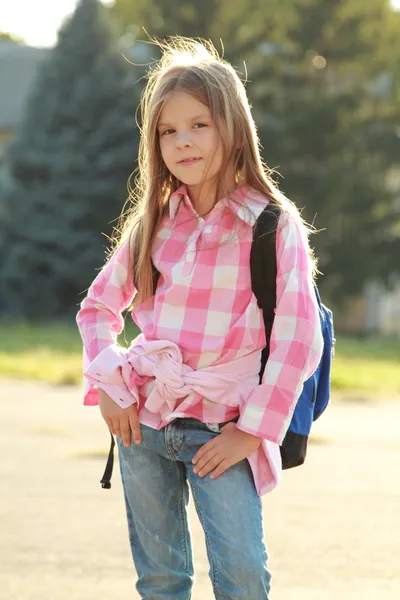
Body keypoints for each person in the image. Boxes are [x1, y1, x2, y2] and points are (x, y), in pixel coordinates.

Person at [76, 36, 324, 600]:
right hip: (145, 423)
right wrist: (110, 386)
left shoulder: (271, 225)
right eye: (168, 131)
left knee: (242, 576)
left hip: (225, 429)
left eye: (199, 125)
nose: (182, 141)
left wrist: (253, 431)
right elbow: (96, 310)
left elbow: (296, 340)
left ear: (234, 128)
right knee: (160, 578)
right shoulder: (154, 225)